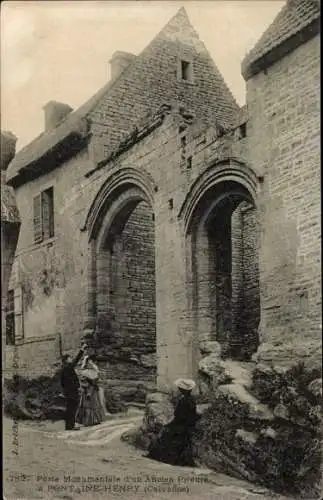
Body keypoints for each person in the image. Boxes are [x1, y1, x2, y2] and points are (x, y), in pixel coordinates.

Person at [147, 378, 200, 466]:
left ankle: (159, 456)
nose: (179, 389)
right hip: (187, 424)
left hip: (182, 425)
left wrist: (171, 424)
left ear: (183, 390)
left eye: (180, 389)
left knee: (165, 432)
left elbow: (179, 415)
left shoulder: (184, 401)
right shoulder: (191, 400)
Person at [60, 343, 87, 431]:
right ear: (67, 360)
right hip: (72, 392)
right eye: (70, 358)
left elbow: (62, 383)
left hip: (68, 392)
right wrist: (82, 350)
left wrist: (64, 391)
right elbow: (76, 360)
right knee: (72, 409)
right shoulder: (68, 367)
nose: (71, 359)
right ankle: (71, 426)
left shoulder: (63, 369)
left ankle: (68, 426)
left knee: (69, 409)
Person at [77, 355, 105, 426]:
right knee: (87, 405)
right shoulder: (85, 372)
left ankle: (95, 420)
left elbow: (96, 380)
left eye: (91, 361)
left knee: (93, 404)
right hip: (86, 390)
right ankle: (87, 421)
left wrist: (91, 389)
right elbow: (82, 379)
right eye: (88, 361)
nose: (90, 363)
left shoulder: (94, 371)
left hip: (93, 390)